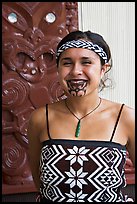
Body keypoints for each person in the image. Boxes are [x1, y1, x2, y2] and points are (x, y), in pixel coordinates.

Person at [27, 30, 135, 202]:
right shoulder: (41, 119)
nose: (76, 71)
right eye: (67, 63)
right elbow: (39, 182)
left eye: (86, 62)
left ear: (103, 69)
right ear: (58, 68)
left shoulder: (126, 118)